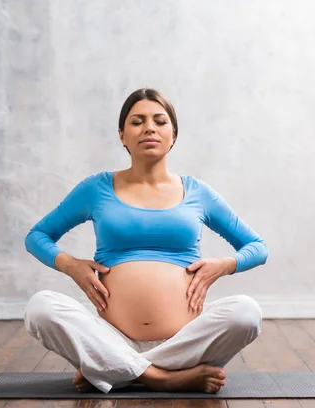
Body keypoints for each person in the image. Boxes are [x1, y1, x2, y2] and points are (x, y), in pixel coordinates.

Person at [23, 88, 269, 394]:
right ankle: (162, 377)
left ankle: (114, 370)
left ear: (173, 134)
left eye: (159, 121)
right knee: (40, 308)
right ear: (122, 136)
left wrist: (223, 265)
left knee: (246, 312)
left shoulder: (198, 193)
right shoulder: (96, 188)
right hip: (111, 336)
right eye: (137, 121)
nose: (149, 128)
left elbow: (258, 248)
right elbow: (36, 236)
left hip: (185, 341)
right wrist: (71, 265)